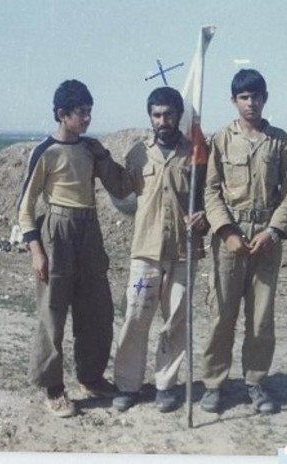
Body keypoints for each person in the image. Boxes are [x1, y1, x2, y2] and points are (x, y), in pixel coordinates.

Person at [17, 79, 130, 417]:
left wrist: (105, 155)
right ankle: (53, 389)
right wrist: (37, 251)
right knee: (52, 311)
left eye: (90, 112)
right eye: (81, 112)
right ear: (62, 114)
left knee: (97, 309)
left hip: (89, 230)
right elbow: (25, 207)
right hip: (58, 231)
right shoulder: (46, 152)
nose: (87, 118)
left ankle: (90, 377)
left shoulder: (90, 149)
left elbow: (121, 187)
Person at [199, 69, 287, 414]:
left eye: (256, 96)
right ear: (233, 101)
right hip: (230, 237)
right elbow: (211, 190)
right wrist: (226, 231)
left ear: (264, 98)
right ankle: (214, 384)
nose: (250, 103)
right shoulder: (221, 139)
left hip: (265, 238)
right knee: (221, 314)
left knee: (260, 318)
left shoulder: (279, 141)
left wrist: (273, 232)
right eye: (243, 97)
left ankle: (255, 382)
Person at [111, 86, 208, 413]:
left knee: (176, 319)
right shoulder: (139, 154)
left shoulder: (195, 153)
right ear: (150, 116)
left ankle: (166, 386)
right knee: (136, 315)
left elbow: (207, 197)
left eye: (168, 114)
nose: (162, 120)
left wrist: (204, 217)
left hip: (183, 251)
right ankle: (127, 385)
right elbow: (124, 197)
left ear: (179, 116)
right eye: (156, 114)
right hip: (146, 252)